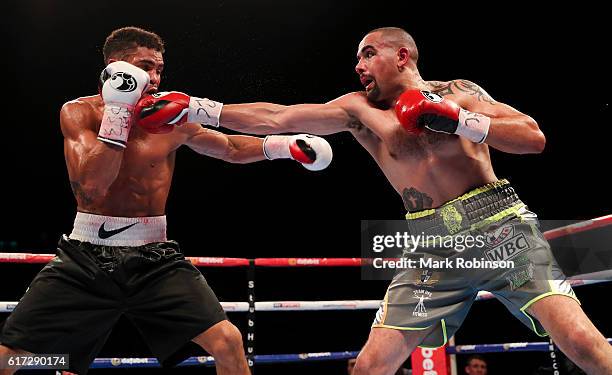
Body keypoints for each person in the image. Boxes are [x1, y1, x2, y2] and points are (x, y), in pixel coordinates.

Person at [135, 27, 612, 375]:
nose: (359, 66)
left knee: (581, 343)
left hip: (500, 228)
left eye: (368, 55)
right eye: (357, 59)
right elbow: (277, 118)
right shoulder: (358, 110)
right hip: (431, 248)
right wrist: (200, 107)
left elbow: (533, 137)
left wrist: (461, 121)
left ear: (402, 55)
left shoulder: (459, 92)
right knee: (370, 367)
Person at [0, 26, 331, 375]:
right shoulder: (80, 113)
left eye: (159, 68)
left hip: (154, 258)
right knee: (9, 356)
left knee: (228, 341)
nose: (156, 78)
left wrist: (283, 147)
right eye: (146, 66)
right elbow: (92, 188)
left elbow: (230, 148)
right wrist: (118, 111)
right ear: (116, 67)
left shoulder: (172, 116)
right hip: (86, 258)